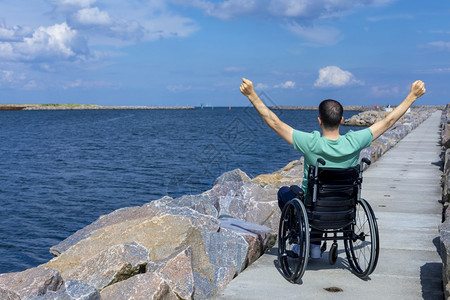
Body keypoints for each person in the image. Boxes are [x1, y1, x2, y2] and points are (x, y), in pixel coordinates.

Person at [240, 77, 426, 258]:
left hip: (313, 209)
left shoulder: (310, 143)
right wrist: (412, 96)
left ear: (319, 120)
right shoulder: (355, 141)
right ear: (342, 119)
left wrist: (252, 95)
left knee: (284, 192)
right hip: (344, 209)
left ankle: (304, 241)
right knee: (318, 198)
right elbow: (388, 121)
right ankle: (313, 245)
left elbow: (274, 122)